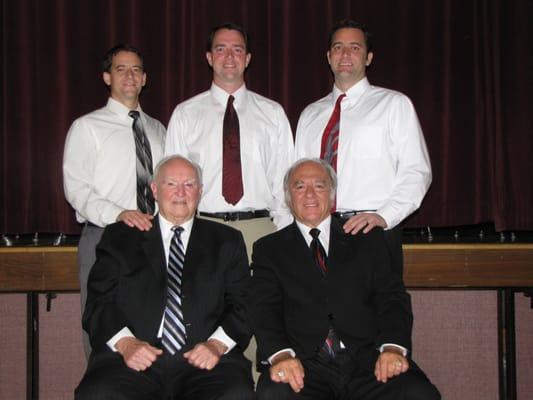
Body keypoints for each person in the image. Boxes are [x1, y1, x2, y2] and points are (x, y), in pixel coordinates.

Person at [249, 158, 440, 400]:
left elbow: (392, 298)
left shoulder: (367, 239)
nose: (309, 194)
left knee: (418, 393)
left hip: (368, 362)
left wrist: (392, 347)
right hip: (305, 365)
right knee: (273, 394)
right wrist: (281, 355)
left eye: (319, 186)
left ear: (332, 196)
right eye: (299, 187)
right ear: (288, 198)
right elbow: (264, 309)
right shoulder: (269, 249)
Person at [75, 155, 254, 400]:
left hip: (205, 356)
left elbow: (243, 303)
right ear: (155, 190)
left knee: (236, 395)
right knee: (98, 394)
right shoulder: (120, 237)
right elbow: (99, 302)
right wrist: (126, 344)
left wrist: (217, 344)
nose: (181, 192)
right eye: (171, 184)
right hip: (133, 354)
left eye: (189, 185)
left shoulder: (226, 241)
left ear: (200, 192)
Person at [295, 19, 432, 278]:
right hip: (318, 231)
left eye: (354, 47)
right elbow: (297, 180)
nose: (345, 54)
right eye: (338, 47)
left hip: (371, 233)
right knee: (319, 314)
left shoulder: (394, 105)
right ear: (328, 56)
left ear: (368, 57)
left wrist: (384, 216)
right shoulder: (310, 114)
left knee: (377, 315)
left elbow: (417, 171)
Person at [63, 44, 166, 357]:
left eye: (136, 69)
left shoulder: (158, 129)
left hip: (153, 239)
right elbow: (77, 190)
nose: (130, 76)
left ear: (145, 78)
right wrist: (121, 214)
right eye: (121, 69)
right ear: (107, 77)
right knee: (103, 329)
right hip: (104, 236)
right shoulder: (87, 127)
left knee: (152, 329)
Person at [165, 22, 294, 258]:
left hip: (261, 229)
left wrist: (284, 234)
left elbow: (284, 180)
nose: (229, 57)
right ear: (209, 57)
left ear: (247, 58)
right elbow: (172, 184)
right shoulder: (185, 114)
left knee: (259, 296)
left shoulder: (273, 114)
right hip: (204, 230)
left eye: (237, 49)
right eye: (221, 49)